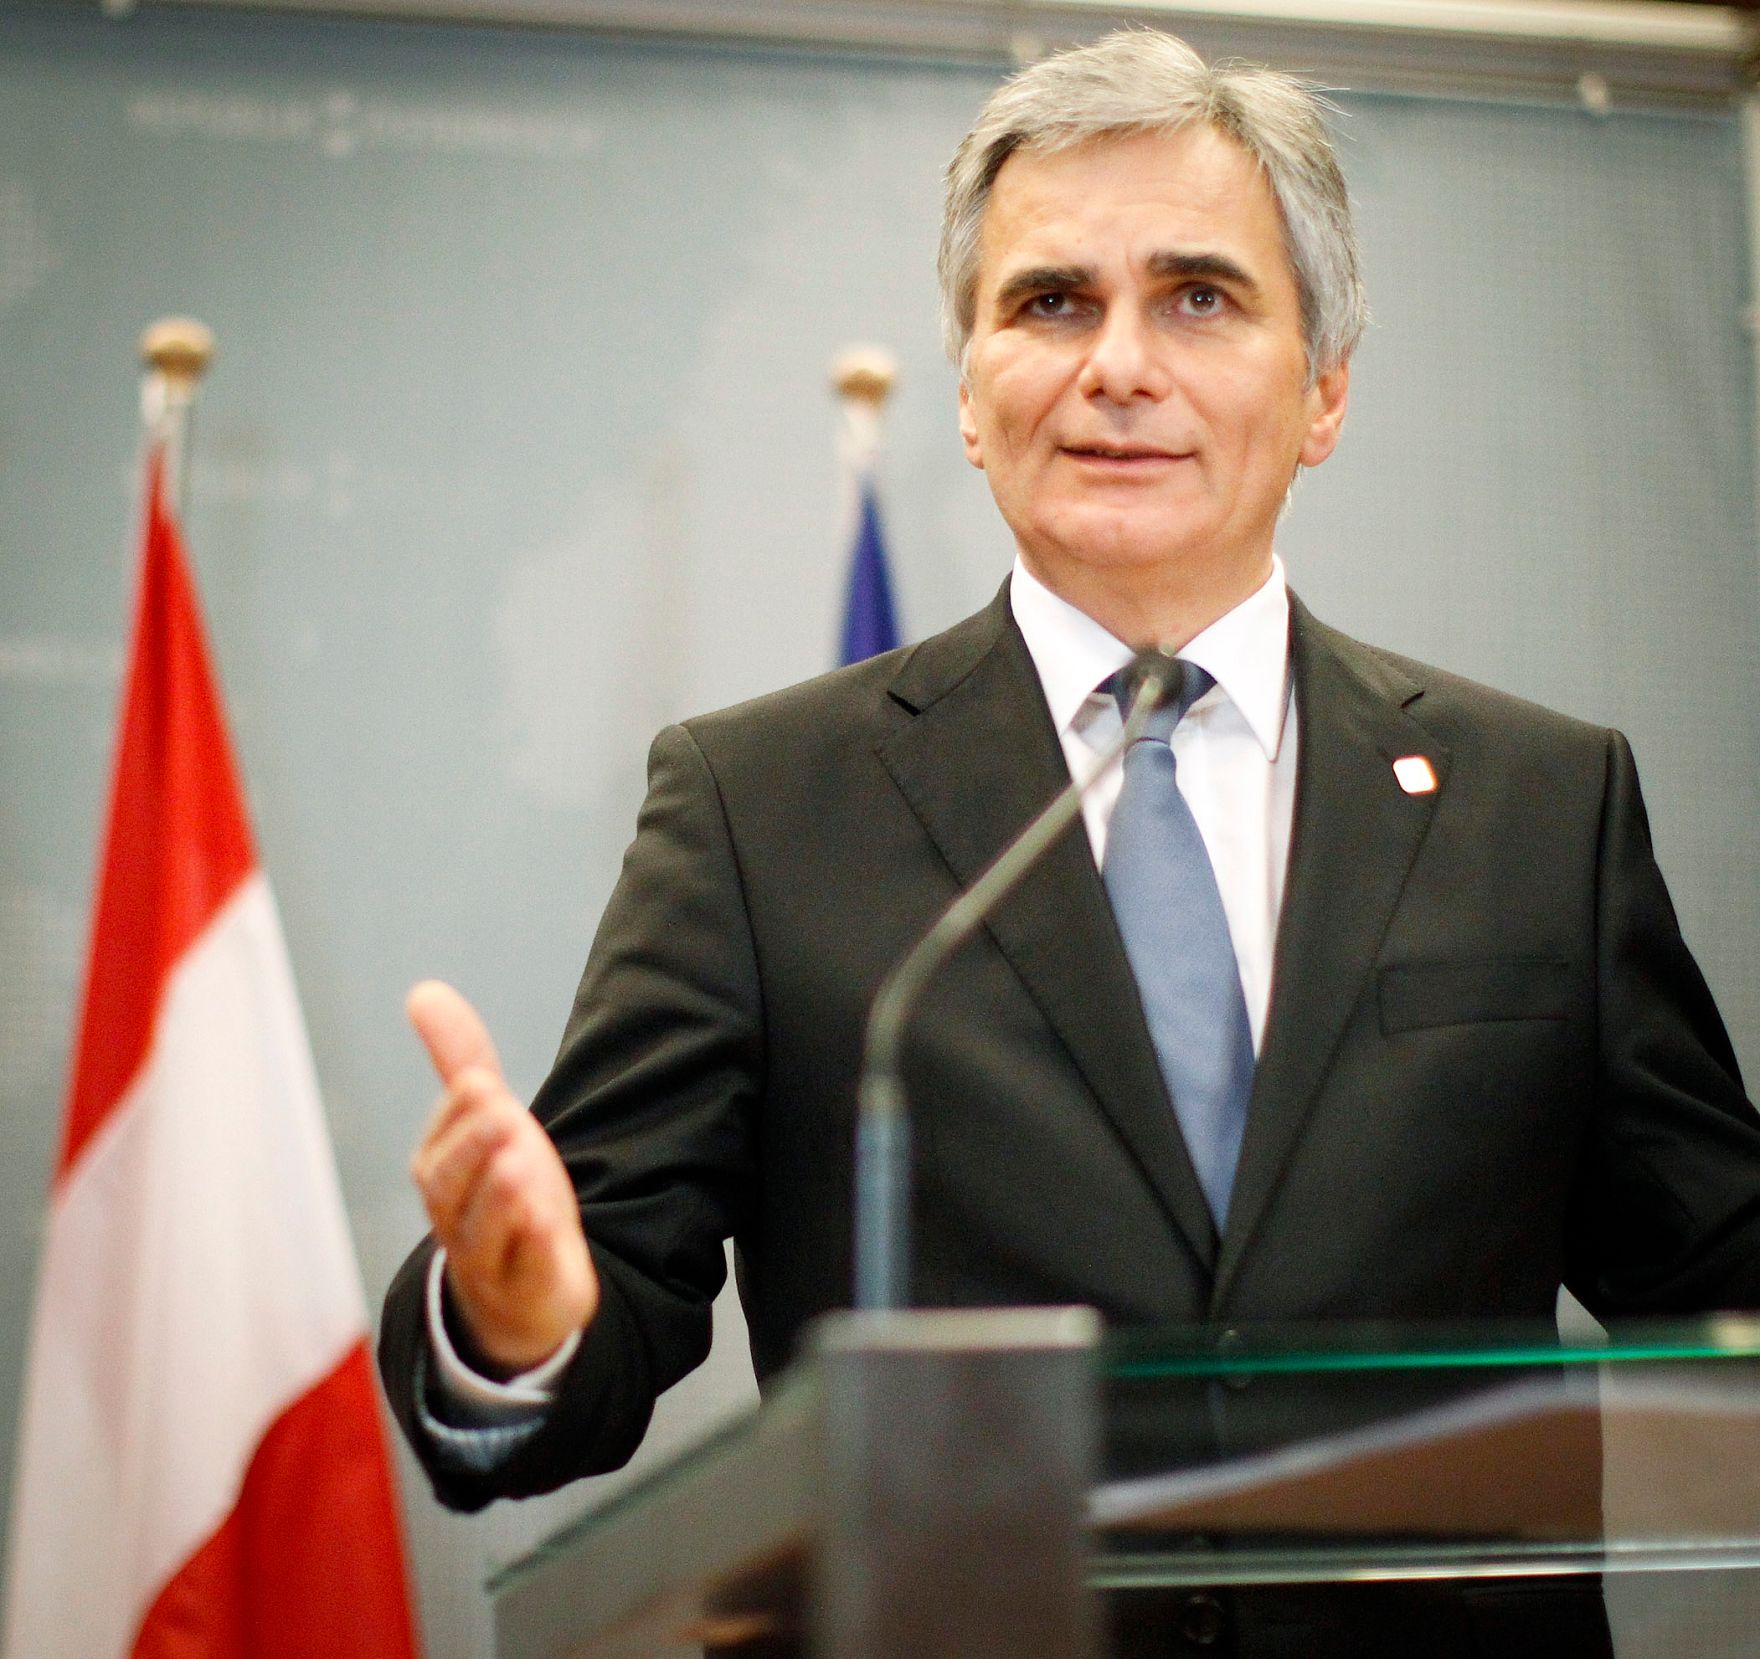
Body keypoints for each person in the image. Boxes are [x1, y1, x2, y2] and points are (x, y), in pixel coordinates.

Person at [378, 30, 1760, 1656]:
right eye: (1051, 303)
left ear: (1323, 390)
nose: (1119, 363)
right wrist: (515, 1313)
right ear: (969, 393)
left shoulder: (1540, 806)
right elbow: (574, 1342)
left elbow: (1720, 1292)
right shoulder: (761, 808)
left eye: (1200, 298)